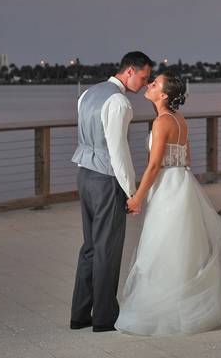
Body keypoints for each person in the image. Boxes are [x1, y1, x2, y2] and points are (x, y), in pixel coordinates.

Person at [115, 73, 221, 335]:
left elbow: (154, 165)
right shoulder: (180, 119)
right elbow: (187, 155)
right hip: (182, 183)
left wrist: (137, 197)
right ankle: (183, 301)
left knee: (161, 245)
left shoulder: (161, 121)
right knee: (180, 245)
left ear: (163, 95)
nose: (150, 84)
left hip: (166, 186)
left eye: (155, 84)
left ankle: (162, 306)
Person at [69, 51, 153, 332]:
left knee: (90, 247)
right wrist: (132, 192)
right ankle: (104, 318)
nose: (144, 84)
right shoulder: (119, 102)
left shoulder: (88, 94)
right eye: (143, 77)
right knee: (108, 248)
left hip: (84, 175)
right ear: (129, 71)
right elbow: (119, 151)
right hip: (106, 179)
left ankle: (80, 315)